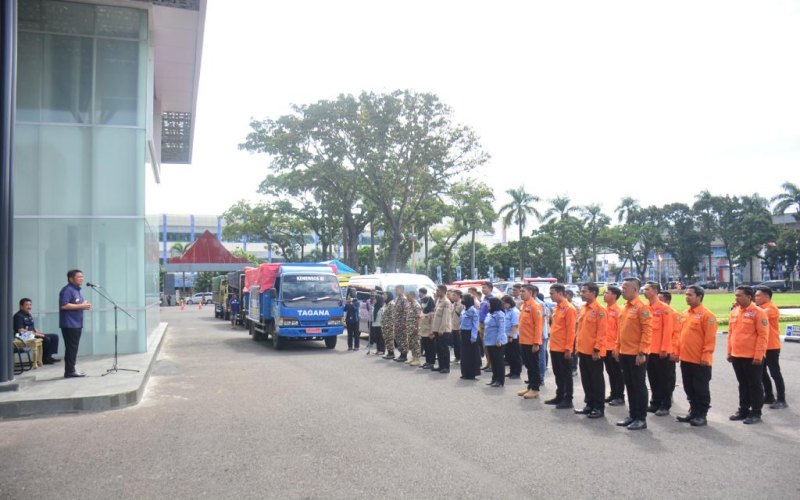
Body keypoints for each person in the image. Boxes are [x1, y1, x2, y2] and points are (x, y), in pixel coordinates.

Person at [674, 285, 717, 427]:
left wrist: (706, 356)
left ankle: (701, 415)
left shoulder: (707, 315)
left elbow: (710, 339)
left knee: (701, 389)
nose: (687, 297)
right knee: (689, 388)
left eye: (690, 295)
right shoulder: (685, 313)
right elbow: (680, 335)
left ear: (699, 297)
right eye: (686, 294)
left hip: (700, 360)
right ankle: (693, 412)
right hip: (686, 358)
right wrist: (676, 352)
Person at [613, 277, 651, 431]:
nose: (622, 290)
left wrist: (642, 352)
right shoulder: (624, 307)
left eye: (625, 287)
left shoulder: (642, 307)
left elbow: (647, 331)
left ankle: (641, 418)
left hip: (637, 353)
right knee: (629, 385)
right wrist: (617, 347)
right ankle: (632, 414)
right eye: (622, 287)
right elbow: (620, 330)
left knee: (639, 385)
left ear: (635, 290)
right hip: (624, 352)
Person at [727, 285, 768, 425]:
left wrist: (758, 355)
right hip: (737, 355)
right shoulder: (735, 312)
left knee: (755, 385)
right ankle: (743, 409)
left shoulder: (758, 312)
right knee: (742, 384)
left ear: (749, 297)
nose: (736, 298)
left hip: (752, 356)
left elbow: (763, 336)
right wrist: (729, 352)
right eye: (736, 295)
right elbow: (731, 334)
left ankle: (756, 412)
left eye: (739, 296)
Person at [575, 283, 607, 418]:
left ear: (593, 293)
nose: (582, 294)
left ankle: (598, 407)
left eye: (585, 291)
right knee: (586, 379)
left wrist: (597, 349)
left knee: (596, 380)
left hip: (594, 352)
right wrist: (577, 347)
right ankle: (589, 404)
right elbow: (580, 330)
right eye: (582, 291)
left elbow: (602, 331)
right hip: (583, 349)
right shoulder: (583, 308)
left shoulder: (600, 310)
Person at [643, 281, 674, 416]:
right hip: (649, 349)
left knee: (664, 379)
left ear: (655, 291)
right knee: (653, 378)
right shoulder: (645, 307)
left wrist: (665, 348)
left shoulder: (664, 308)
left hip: (660, 350)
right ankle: (655, 402)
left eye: (647, 289)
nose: (644, 291)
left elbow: (668, 330)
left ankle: (664, 404)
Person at [545, 284, 577, 409]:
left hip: (564, 348)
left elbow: (571, 331)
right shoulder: (557, 307)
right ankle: (560, 395)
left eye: (552, 293)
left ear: (560, 293)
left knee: (566, 374)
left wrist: (569, 348)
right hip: (555, 347)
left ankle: (568, 399)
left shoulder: (569, 308)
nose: (550, 295)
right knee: (558, 373)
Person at [755, 286, 788, 409]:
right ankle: (769, 396)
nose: (755, 298)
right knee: (762, 372)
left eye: (758, 295)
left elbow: (758, 315)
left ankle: (781, 399)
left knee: (775, 373)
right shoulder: (760, 308)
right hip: (762, 346)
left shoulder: (770, 309)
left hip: (772, 346)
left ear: (767, 296)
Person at [59, 269, 92, 378]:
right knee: (71, 348)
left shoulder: (77, 290)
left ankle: (72, 369)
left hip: (77, 323)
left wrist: (84, 304)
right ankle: (69, 371)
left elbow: (76, 304)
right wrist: (82, 306)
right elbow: (64, 305)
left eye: (82, 276)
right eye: (78, 277)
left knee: (73, 348)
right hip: (69, 324)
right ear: (71, 278)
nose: (81, 279)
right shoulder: (67, 290)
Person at [13, 298, 60, 364]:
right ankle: (44, 359)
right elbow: (21, 331)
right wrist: (36, 334)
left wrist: (39, 332)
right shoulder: (18, 316)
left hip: (32, 334)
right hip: (23, 336)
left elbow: (32, 327)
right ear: (21, 306)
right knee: (46, 339)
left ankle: (48, 356)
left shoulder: (28, 314)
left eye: (30, 305)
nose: (29, 307)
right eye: (27, 305)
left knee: (54, 336)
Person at [517, 285, 543, 399]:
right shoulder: (524, 305)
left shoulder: (535, 306)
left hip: (532, 342)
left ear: (531, 292)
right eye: (521, 291)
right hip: (524, 340)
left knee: (533, 366)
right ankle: (530, 386)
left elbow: (538, 326)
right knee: (528, 365)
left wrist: (536, 343)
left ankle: (535, 389)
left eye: (523, 291)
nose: (520, 293)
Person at [659, 290, 682, 413]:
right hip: (657, 349)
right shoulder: (656, 312)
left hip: (669, 350)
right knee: (658, 376)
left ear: (667, 301)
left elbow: (676, 334)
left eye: (660, 299)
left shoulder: (673, 314)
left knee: (668, 376)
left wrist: (674, 351)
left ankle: (668, 397)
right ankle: (659, 398)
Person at [603, 286, 625, 406]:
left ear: (614, 296)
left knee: (617, 372)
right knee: (610, 371)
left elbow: (620, 331)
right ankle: (613, 393)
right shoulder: (604, 309)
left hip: (614, 347)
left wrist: (618, 348)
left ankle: (619, 396)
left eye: (607, 293)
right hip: (605, 346)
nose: (604, 295)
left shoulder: (618, 310)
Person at [483, 297, 507, 387]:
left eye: (489, 303)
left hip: (497, 341)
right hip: (489, 341)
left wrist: (498, 340)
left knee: (499, 361)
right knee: (493, 361)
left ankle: (500, 380)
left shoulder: (500, 314)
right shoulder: (490, 313)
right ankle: (494, 378)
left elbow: (501, 328)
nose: (488, 304)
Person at [431, 285, 454, 373]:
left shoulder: (446, 302)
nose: (437, 292)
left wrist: (441, 329)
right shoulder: (438, 301)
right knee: (439, 349)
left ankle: (446, 367)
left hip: (443, 330)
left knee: (444, 349)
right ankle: (441, 366)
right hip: (437, 329)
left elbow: (445, 318)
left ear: (443, 291)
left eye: (438, 291)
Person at [458, 294, 481, 380]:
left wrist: (473, 337)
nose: (462, 300)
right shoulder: (464, 310)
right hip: (463, 333)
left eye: (464, 299)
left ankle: (471, 373)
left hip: (470, 333)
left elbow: (475, 324)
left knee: (471, 355)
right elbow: (461, 321)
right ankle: (465, 372)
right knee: (464, 355)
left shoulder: (473, 311)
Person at [532, 286, 551, 385]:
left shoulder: (540, 304)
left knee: (541, 357)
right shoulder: (528, 304)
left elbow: (542, 321)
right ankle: (534, 377)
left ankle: (541, 378)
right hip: (532, 335)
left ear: (534, 292)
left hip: (541, 335)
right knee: (533, 358)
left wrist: (539, 335)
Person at [501, 295, 522, 379]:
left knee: (515, 355)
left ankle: (516, 372)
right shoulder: (507, 311)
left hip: (513, 336)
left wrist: (511, 336)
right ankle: (512, 371)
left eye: (504, 303)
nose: (503, 305)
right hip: (506, 335)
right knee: (509, 355)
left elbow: (515, 325)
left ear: (509, 303)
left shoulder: (514, 311)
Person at [392, 285, 410, 362]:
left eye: (397, 289)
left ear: (402, 290)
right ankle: (401, 353)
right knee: (398, 338)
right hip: (397, 323)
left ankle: (404, 355)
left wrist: (404, 323)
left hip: (402, 323)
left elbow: (406, 312)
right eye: (395, 289)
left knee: (403, 339)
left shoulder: (404, 299)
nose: (396, 291)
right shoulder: (397, 299)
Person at [418, 288, 436, 368]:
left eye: (425, 302)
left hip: (429, 332)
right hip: (423, 332)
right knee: (425, 347)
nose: (423, 303)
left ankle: (431, 363)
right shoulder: (423, 311)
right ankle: (427, 362)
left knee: (430, 348)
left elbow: (432, 323)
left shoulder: (432, 312)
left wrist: (432, 332)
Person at [479, 282, 494, 372]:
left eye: (485, 288)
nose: (483, 289)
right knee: (484, 346)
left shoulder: (492, 299)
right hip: (481, 324)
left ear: (490, 289)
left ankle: (492, 364)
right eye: (482, 288)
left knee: (489, 345)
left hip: (487, 324)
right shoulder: (484, 299)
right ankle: (488, 363)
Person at [406, 291, 423, 366]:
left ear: (413, 296)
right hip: (410, 327)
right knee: (412, 343)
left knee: (416, 343)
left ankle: (417, 359)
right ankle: (413, 357)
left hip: (415, 328)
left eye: (408, 296)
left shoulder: (416, 305)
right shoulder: (410, 304)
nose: (407, 298)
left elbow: (418, 318)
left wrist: (416, 328)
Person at [450, 290, 464, 363]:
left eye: (454, 295)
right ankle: (457, 357)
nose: (452, 296)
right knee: (455, 343)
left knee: (459, 343)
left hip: (459, 327)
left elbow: (462, 317)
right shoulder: (453, 304)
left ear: (459, 296)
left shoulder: (462, 304)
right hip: (453, 326)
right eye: (452, 295)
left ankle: (461, 358)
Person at [381, 292, 396, 359]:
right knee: (387, 339)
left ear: (389, 296)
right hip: (385, 325)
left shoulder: (392, 304)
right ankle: (389, 352)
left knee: (390, 339)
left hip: (389, 325)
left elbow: (393, 316)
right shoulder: (386, 304)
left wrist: (391, 325)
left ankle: (392, 353)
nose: (383, 296)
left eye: (385, 295)